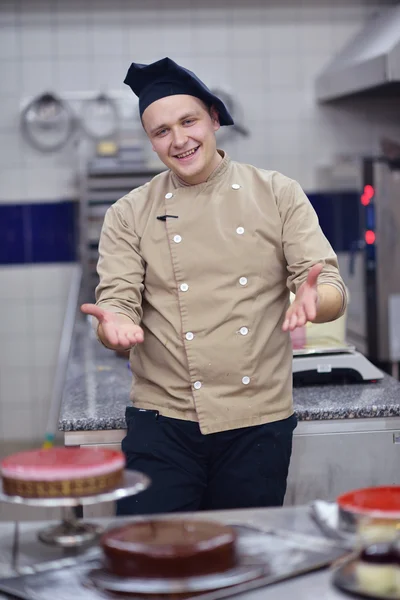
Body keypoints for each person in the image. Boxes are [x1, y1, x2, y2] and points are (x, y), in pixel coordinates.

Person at [81, 57, 347, 515]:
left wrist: (313, 300)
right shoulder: (128, 213)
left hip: (258, 422)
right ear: (151, 141)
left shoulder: (277, 193)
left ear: (214, 119)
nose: (179, 140)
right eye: (161, 131)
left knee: (245, 560)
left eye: (189, 121)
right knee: (152, 558)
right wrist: (114, 328)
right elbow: (117, 302)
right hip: (161, 421)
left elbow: (330, 290)